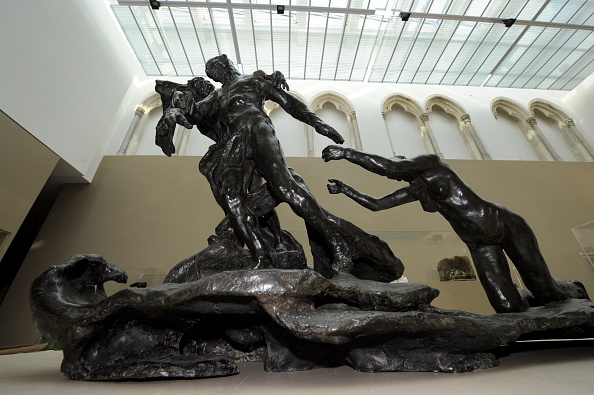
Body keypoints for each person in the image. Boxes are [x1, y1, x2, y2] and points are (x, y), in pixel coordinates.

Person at [321, 145, 588, 312]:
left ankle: (574, 288)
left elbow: (390, 168)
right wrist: (346, 190)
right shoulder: (416, 190)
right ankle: (526, 305)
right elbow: (377, 205)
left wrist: (346, 153)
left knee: (546, 292)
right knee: (507, 306)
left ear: (407, 161)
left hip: (505, 224)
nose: (399, 166)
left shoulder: (431, 162)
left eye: (399, 160)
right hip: (479, 242)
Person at [157, 55, 352, 274]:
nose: (219, 71)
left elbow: (287, 102)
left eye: (221, 66)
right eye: (214, 71)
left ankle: (338, 244)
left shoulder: (253, 80)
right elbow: (195, 114)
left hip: (257, 129)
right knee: (232, 199)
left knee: (285, 187)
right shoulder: (216, 96)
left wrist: (318, 123)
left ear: (229, 65)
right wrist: (178, 107)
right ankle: (262, 256)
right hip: (235, 143)